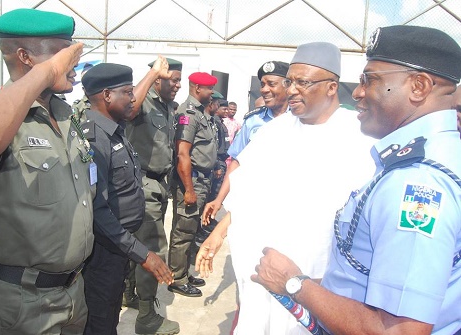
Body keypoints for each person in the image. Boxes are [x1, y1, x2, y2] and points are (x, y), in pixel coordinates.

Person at [252, 26, 461, 335]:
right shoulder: (430, 154)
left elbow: (398, 331)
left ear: (418, 86)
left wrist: (293, 283)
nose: (359, 92)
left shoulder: (418, 183)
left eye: (370, 80)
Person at [196, 42, 376, 334]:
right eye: (290, 82)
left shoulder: (360, 138)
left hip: (318, 281)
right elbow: (248, 194)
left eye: (302, 82)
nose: (291, 90)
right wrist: (218, 234)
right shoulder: (273, 132)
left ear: (332, 87)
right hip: (264, 274)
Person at [0, 8, 93, 335]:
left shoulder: (64, 114)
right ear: (26, 57)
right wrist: (48, 71)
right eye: (65, 52)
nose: (72, 63)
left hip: (72, 292)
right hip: (20, 301)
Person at [79, 63, 175, 335]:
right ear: (107, 95)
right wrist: (143, 254)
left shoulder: (115, 129)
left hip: (119, 247)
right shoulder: (95, 139)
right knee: (101, 319)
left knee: (110, 312)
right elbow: (98, 213)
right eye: (128, 92)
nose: (134, 98)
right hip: (104, 251)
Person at [125, 56, 181, 335]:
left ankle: (129, 295)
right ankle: (147, 317)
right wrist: (150, 74)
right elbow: (128, 107)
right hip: (142, 183)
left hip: (159, 184)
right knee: (153, 247)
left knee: (135, 244)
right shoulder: (142, 101)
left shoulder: (170, 107)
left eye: (180, 80)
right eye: (173, 79)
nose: (178, 85)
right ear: (157, 78)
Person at [201, 60, 289, 225]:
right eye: (262, 84)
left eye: (271, 84)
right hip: (253, 201)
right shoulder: (253, 121)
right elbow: (236, 162)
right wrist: (219, 200)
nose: (264, 90)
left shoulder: (301, 119)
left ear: (288, 85)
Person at [167, 71, 218, 297]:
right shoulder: (188, 113)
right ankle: (176, 278)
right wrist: (188, 189)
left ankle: (184, 273)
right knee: (183, 231)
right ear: (198, 88)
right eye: (209, 89)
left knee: (192, 229)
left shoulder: (201, 113)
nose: (212, 93)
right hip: (192, 180)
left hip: (202, 180)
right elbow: (183, 154)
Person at [194, 92, 228, 246]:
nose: (220, 108)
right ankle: (202, 229)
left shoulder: (215, 122)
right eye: (218, 105)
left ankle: (205, 225)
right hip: (206, 170)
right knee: (208, 200)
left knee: (210, 199)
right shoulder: (207, 120)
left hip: (216, 163)